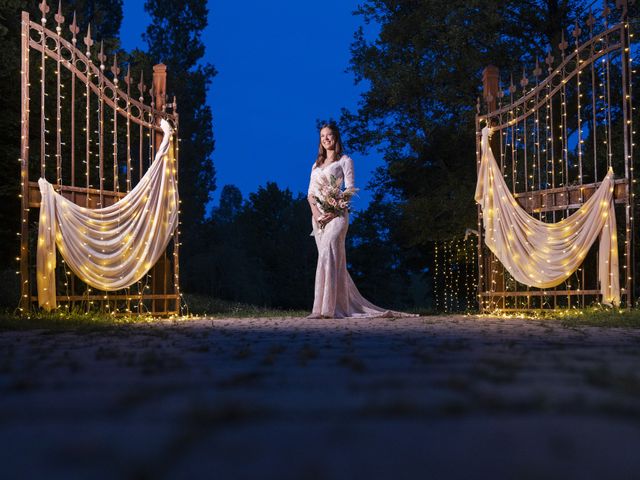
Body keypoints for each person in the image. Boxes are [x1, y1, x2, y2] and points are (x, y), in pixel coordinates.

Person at [307, 124, 416, 319]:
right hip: (319, 219)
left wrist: (333, 211)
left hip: (337, 216)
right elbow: (310, 195)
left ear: (336, 138)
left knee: (329, 254)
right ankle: (326, 306)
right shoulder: (316, 165)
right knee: (327, 259)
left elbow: (349, 190)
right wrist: (316, 215)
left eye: (329, 135)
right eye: (322, 136)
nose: (326, 139)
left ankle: (327, 310)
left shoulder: (345, 161)